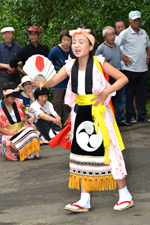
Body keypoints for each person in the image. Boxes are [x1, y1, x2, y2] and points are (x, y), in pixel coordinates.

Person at [33, 27, 134, 212]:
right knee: (80, 154)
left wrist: (106, 92)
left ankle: (125, 194)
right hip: (80, 114)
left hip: (99, 114)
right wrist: (40, 82)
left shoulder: (100, 63)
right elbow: (53, 82)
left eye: (81, 42)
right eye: (74, 42)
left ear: (90, 46)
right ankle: (84, 199)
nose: (76, 45)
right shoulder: (69, 65)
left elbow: (122, 78)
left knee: (109, 151)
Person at [115, 11, 150, 124]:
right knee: (129, 95)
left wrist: (148, 57)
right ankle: (131, 117)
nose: (137, 22)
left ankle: (142, 116)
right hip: (129, 69)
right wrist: (123, 56)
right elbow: (115, 46)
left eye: (138, 19)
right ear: (129, 20)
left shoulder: (144, 32)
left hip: (143, 69)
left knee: (142, 94)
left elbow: (148, 46)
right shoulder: (125, 33)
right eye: (134, 20)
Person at [95, 26, 130, 126]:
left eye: (113, 34)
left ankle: (120, 119)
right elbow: (97, 64)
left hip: (119, 74)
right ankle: (109, 120)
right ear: (104, 37)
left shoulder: (117, 46)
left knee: (121, 98)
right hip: (108, 77)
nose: (112, 36)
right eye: (109, 34)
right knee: (109, 98)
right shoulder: (101, 48)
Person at [0, 82, 40, 161]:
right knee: (12, 146)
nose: (14, 99)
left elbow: (25, 115)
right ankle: (23, 150)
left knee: (32, 130)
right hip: (7, 132)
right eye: (12, 97)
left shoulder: (19, 102)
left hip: (21, 128)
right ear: (5, 95)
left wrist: (26, 124)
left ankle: (27, 150)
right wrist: (11, 133)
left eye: (15, 97)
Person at [48, 30, 75, 125]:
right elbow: (49, 65)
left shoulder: (73, 50)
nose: (66, 42)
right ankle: (57, 124)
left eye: (68, 40)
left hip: (70, 82)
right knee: (57, 103)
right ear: (61, 40)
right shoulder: (55, 51)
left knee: (69, 104)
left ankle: (68, 124)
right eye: (64, 40)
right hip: (57, 82)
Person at [19, 76, 49, 144]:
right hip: (27, 118)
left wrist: (32, 97)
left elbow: (40, 108)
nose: (28, 86)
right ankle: (41, 138)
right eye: (25, 84)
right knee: (30, 119)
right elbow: (21, 109)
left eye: (29, 83)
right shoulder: (20, 96)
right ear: (23, 86)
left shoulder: (37, 94)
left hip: (37, 116)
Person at [0, 27, 21, 99]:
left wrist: (14, 66)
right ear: (2, 36)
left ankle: (16, 110)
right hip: (3, 76)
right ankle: (2, 110)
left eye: (9, 34)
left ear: (13, 35)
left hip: (15, 76)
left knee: (16, 95)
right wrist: (7, 66)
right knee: (4, 96)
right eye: (5, 34)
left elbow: (21, 60)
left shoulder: (17, 46)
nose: (7, 36)